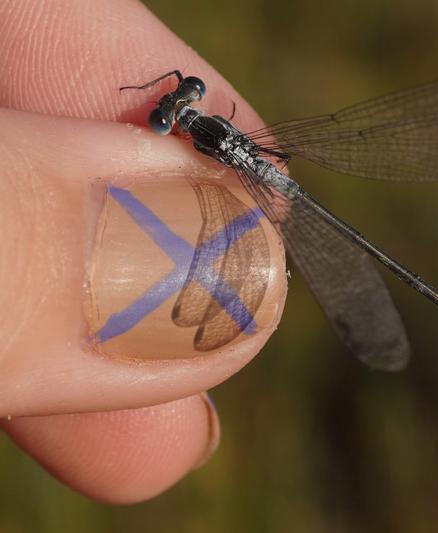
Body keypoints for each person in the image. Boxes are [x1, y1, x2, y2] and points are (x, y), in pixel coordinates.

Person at [0, 0, 287, 503]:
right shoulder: (204, 129)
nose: (177, 102)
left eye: (183, 99)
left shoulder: (197, 135)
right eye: (170, 110)